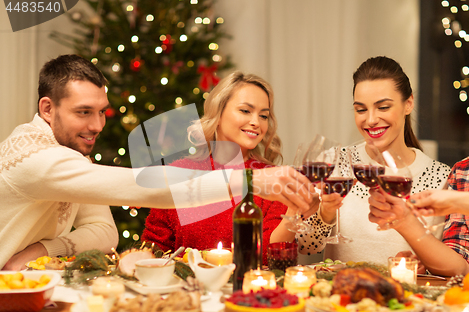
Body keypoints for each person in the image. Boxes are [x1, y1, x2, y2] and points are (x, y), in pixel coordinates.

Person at [0, 55, 316, 270]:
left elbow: (104, 232)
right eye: (84, 112)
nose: (98, 125)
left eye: (101, 111)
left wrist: (39, 251)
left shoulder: (72, 156)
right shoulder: (33, 158)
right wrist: (247, 181)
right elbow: (140, 188)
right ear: (47, 108)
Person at [271, 56, 451, 266]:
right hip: (342, 294)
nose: (371, 120)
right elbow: (307, 247)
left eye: (383, 107)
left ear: (408, 104)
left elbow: (448, 264)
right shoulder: (334, 163)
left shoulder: (441, 176)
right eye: (361, 109)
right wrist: (326, 213)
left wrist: (422, 264)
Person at [141, 72, 316, 264]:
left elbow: (269, 258)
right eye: (245, 111)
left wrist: (293, 213)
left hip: (248, 290)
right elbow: (154, 248)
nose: (256, 122)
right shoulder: (180, 172)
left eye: (264, 115)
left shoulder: (271, 178)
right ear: (218, 113)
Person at [368, 41, 469, 275]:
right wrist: (404, 220)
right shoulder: (468, 171)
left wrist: (457, 201)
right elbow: (461, 267)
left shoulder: (457, 194)